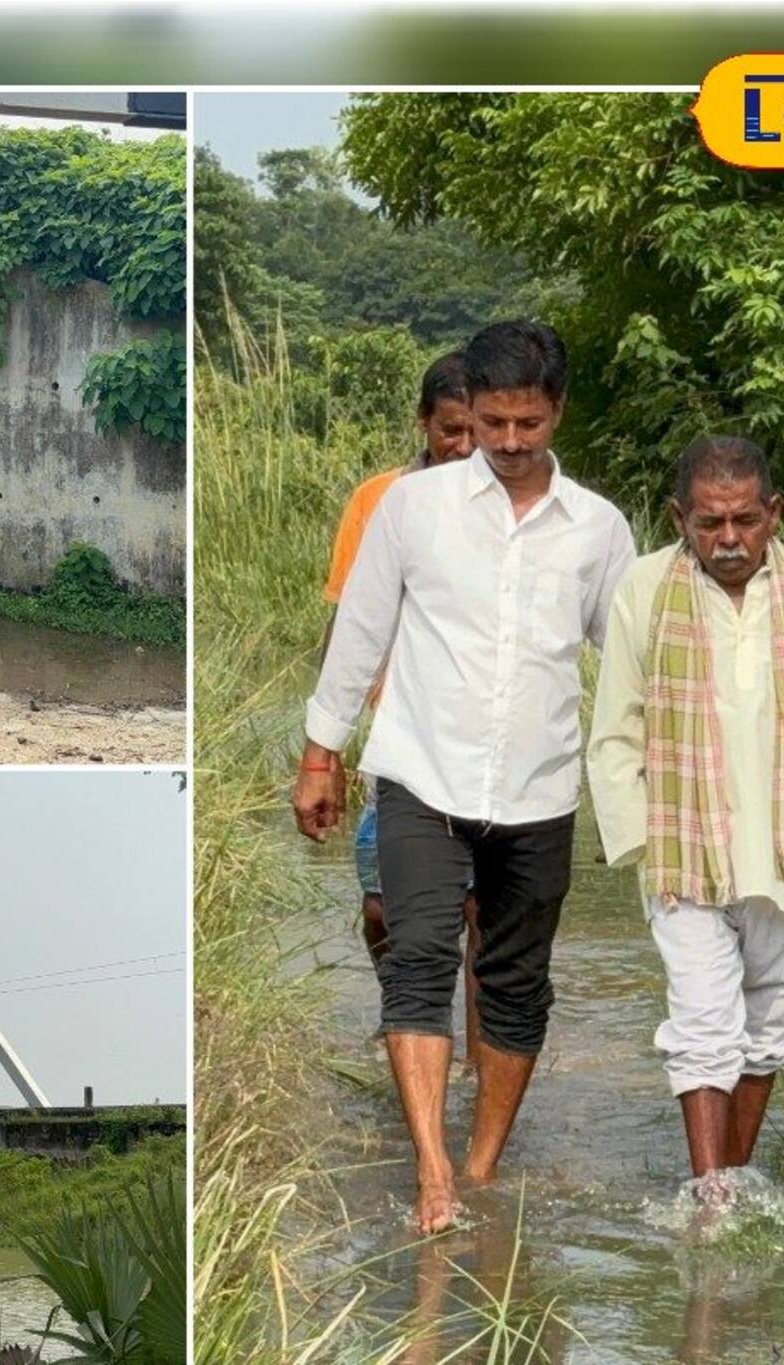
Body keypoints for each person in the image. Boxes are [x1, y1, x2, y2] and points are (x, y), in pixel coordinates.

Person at [294, 320, 637, 1234]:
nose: (512, 442)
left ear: (558, 410)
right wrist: (320, 756)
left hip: (539, 790)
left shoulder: (600, 530)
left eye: (528, 422)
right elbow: (360, 632)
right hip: (421, 776)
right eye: (492, 423)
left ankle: (482, 1166)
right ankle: (434, 1170)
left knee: (519, 983)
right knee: (417, 963)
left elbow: (632, 659)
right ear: (469, 417)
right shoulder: (416, 508)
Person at [586, 435, 784, 1186]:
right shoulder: (644, 591)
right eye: (708, 524)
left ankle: (732, 1175)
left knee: (766, 1031)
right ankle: (711, 1198)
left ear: (775, 513)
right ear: (678, 519)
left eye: (743, 521)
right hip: (686, 845)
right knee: (703, 1028)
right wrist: (641, 844)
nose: (727, 540)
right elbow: (615, 729)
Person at [321, 351, 480, 1062]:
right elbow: (348, 625)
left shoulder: (514, 506)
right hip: (400, 740)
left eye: (480, 430)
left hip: (486, 741)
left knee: (483, 915)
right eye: (453, 430)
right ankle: (405, 1006)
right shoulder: (378, 501)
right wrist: (323, 745)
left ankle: (476, 1056)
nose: (468, 447)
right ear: (424, 424)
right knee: (385, 903)